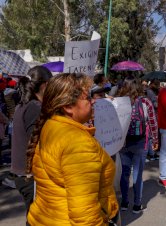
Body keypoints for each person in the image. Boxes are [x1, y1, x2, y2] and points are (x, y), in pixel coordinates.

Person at [26, 73, 119, 225]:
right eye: (88, 98)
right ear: (68, 107)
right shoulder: (77, 144)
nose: (94, 101)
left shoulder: (52, 125)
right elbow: (85, 216)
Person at [10, 66, 52, 214]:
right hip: (30, 175)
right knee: (37, 219)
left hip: (24, 174)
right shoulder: (35, 107)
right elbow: (38, 142)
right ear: (45, 85)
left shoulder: (25, 104)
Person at [118, 77, 158, 213]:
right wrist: (155, 139)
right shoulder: (145, 101)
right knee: (137, 175)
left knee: (124, 174)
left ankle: (124, 202)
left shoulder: (119, 102)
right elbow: (152, 122)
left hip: (123, 144)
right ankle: (137, 204)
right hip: (141, 142)